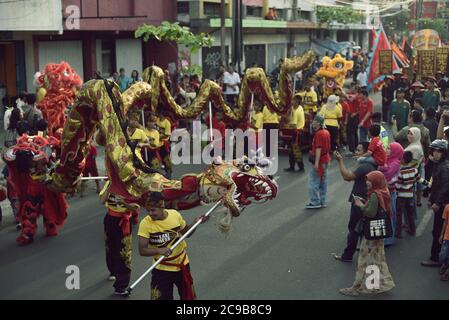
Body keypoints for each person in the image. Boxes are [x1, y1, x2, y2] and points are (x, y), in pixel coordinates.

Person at [138, 196, 208, 300]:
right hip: (161, 268)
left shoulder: (175, 215)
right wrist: (158, 250)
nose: (150, 213)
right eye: (147, 210)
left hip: (182, 265)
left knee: (188, 297)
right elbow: (142, 250)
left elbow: (186, 234)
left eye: (153, 210)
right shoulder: (145, 223)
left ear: (162, 206)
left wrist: (196, 223)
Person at [339, 171, 395, 296]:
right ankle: (373, 285)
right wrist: (366, 202)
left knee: (365, 259)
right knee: (376, 258)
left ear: (375, 182)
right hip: (378, 233)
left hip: (371, 233)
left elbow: (370, 213)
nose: (367, 183)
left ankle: (358, 287)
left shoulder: (375, 194)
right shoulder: (383, 190)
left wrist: (360, 205)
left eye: (369, 181)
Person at [334, 142, 377, 262]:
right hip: (365, 200)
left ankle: (347, 256)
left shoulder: (365, 166)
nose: (356, 153)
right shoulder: (371, 164)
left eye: (359, 151)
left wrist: (340, 161)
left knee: (353, 229)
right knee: (362, 228)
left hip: (360, 201)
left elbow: (347, 177)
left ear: (366, 152)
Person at [100, 181, 140, 295]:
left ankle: (121, 285)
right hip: (109, 220)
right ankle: (112, 271)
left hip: (123, 222)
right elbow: (102, 201)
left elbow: (135, 209)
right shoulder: (110, 183)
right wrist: (110, 188)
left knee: (123, 253)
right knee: (110, 248)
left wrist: (125, 203)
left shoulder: (133, 186)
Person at [421, 139, 449, 267]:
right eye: (434, 151)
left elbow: (445, 187)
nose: (436, 154)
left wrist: (437, 202)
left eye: (439, 151)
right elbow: (435, 185)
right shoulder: (438, 165)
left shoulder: (444, 167)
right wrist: (431, 199)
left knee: (438, 231)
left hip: (443, 205)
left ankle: (436, 258)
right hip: (439, 202)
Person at [395, 151, 429, 238]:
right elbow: (419, 179)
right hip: (410, 195)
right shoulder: (414, 170)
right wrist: (428, 183)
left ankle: (398, 233)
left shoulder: (401, 172)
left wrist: (394, 187)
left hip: (401, 196)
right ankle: (412, 230)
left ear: (403, 160)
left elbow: (398, 185)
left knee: (399, 214)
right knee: (410, 213)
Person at [379, 142, 404, 247]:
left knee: (389, 215)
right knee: (386, 215)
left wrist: (380, 169)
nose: (387, 150)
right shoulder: (388, 160)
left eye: (389, 148)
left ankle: (389, 239)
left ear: (395, 151)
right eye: (387, 148)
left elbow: (387, 176)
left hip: (390, 192)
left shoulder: (395, 163)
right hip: (386, 191)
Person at [305, 115, 330, 209]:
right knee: (323, 181)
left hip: (320, 160)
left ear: (318, 123)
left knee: (313, 181)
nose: (312, 122)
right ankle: (322, 201)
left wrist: (316, 162)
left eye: (314, 121)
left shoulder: (319, 134)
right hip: (326, 159)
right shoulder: (326, 132)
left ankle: (315, 202)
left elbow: (319, 148)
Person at [284, 94, 305, 172]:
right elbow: (288, 118)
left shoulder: (297, 111)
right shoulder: (296, 108)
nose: (291, 101)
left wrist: (287, 126)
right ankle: (292, 166)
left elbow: (293, 125)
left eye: (293, 100)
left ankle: (301, 167)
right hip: (295, 132)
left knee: (296, 150)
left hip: (297, 132)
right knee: (291, 150)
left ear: (297, 101)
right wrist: (289, 113)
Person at [439, 204, 449, 280]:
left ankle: (447, 274)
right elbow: (445, 222)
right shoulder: (447, 207)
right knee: (442, 256)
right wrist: (441, 235)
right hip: (447, 236)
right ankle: (445, 264)